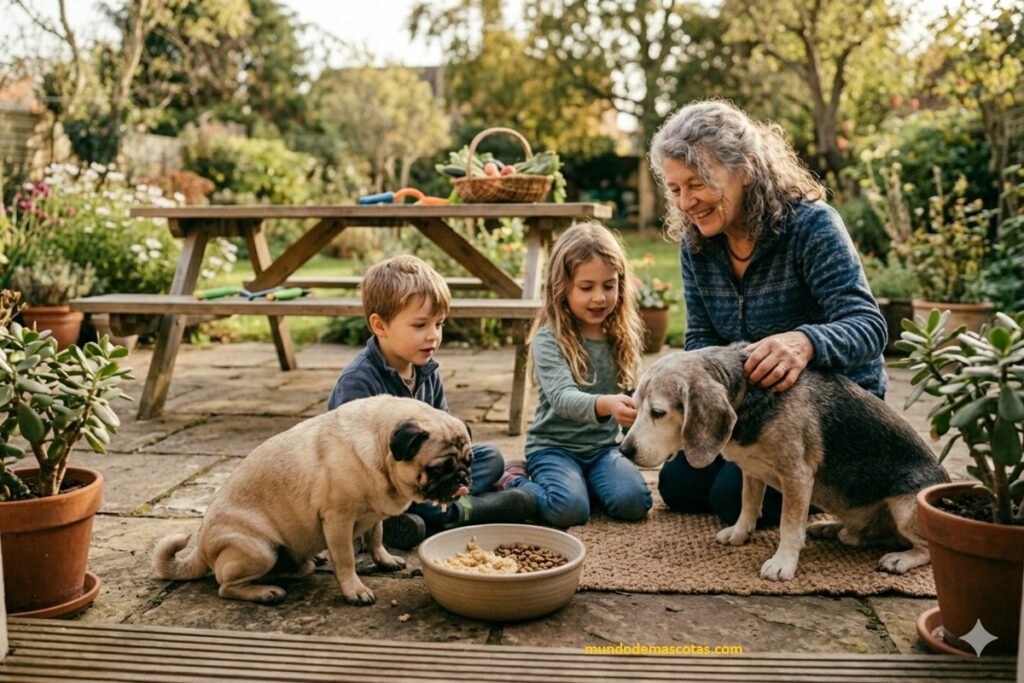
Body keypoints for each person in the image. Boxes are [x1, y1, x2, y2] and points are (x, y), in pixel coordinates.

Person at [647, 99, 888, 527]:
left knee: (726, 499)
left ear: (744, 169)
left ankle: (837, 487)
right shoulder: (696, 245)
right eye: (675, 189)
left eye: (696, 183)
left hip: (829, 419)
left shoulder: (812, 227)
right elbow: (701, 341)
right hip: (750, 412)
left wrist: (805, 342)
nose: (685, 202)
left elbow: (868, 326)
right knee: (678, 486)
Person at [327, 255, 536, 549]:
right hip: (377, 485)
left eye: (439, 324)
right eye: (420, 325)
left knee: (490, 457)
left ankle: (438, 511)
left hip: (428, 477)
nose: (433, 336)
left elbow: (447, 439)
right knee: (402, 493)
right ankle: (462, 511)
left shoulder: (426, 370)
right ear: (380, 325)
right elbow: (350, 464)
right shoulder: (358, 382)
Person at [500, 222, 653, 527]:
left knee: (635, 502)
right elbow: (562, 398)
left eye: (609, 286)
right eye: (586, 287)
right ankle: (512, 481)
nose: (599, 297)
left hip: (602, 449)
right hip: (554, 448)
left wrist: (635, 423)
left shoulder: (621, 336)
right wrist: (607, 405)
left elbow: (632, 395)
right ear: (562, 287)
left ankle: (585, 484)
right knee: (568, 511)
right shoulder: (549, 338)